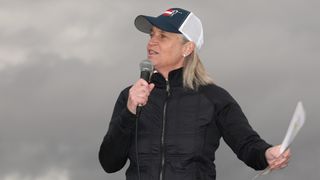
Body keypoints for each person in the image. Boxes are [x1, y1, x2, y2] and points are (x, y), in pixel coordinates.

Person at [99, 8, 291, 180]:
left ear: (187, 48)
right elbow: (109, 163)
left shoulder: (213, 97)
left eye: (163, 36)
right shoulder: (130, 97)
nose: (152, 41)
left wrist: (267, 153)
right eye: (151, 35)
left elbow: (248, 144)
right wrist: (130, 112)